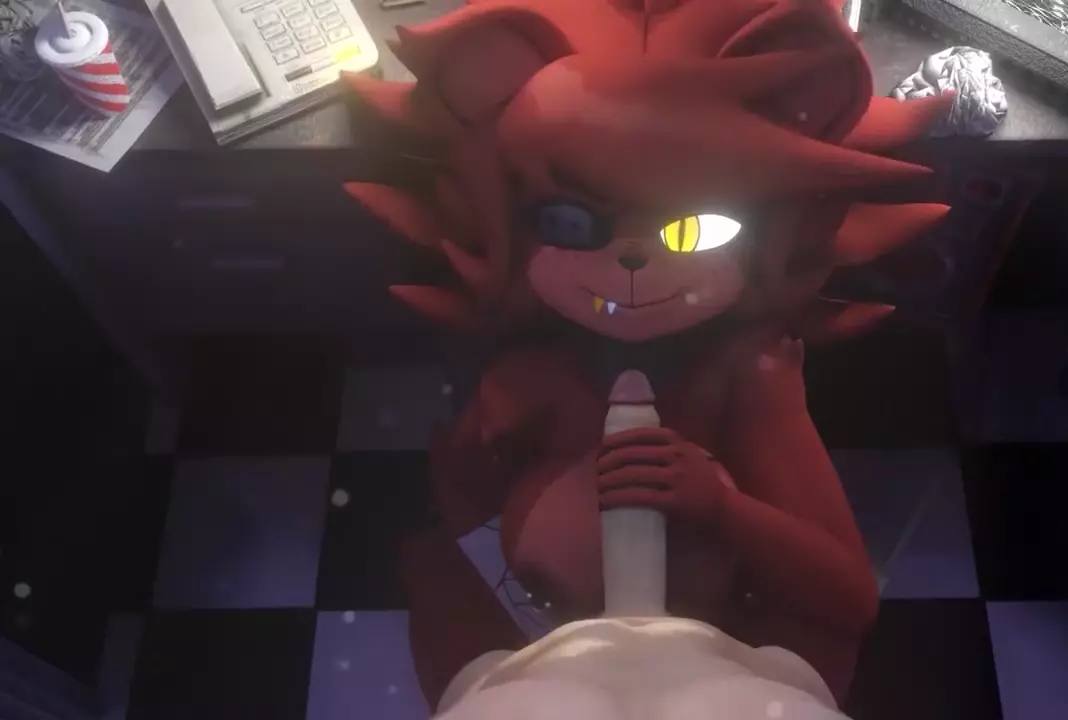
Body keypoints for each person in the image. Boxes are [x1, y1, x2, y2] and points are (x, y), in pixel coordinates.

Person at [342, 0, 954, 708]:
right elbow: (460, 510)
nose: (632, 261)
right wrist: (492, 488)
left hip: (707, 652)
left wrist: (721, 509)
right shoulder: (529, 369)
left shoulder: (749, 381)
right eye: (571, 222)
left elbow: (847, 597)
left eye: (696, 230)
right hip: (539, 637)